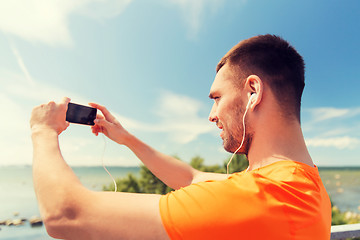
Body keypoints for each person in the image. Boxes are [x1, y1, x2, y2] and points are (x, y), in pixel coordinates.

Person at [30, 34, 331, 240]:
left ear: (253, 92)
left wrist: (42, 130)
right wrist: (126, 138)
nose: (212, 115)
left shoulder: (263, 198)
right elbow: (191, 177)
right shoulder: (302, 185)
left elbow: (65, 215)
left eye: (216, 98)